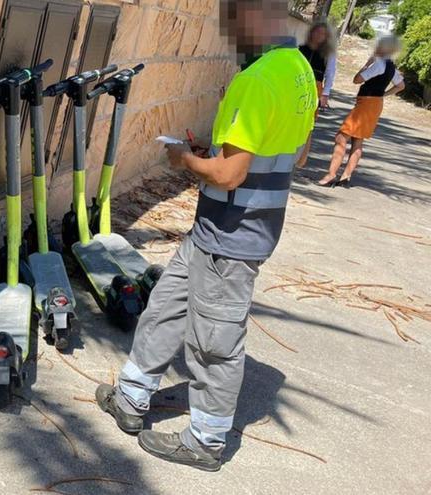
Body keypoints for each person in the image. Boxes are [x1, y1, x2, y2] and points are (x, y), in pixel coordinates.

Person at [94, 0, 316, 472]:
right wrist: (213, 152)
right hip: (217, 231)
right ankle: (131, 397)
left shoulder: (258, 79)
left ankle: (207, 440)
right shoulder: (298, 69)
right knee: (167, 304)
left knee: (213, 342)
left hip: (232, 238)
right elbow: (293, 154)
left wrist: (186, 161)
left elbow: (230, 175)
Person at [318, 35, 405, 187]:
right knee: (357, 140)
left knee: (341, 136)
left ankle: (331, 174)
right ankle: (346, 176)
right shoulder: (391, 67)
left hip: (366, 104)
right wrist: (383, 94)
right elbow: (401, 85)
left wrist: (367, 64)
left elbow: (357, 79)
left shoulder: (379, 65)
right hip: (375, 103)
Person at [297, 21, 337, 166]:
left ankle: (301, 159)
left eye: (323, 34)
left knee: (308, 124)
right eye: (317, 32)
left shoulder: (328, 54)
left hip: (315, 87)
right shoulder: (300, 49)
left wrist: (325, 94)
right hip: (298, 85)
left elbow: (330, 74)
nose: (318, 36)